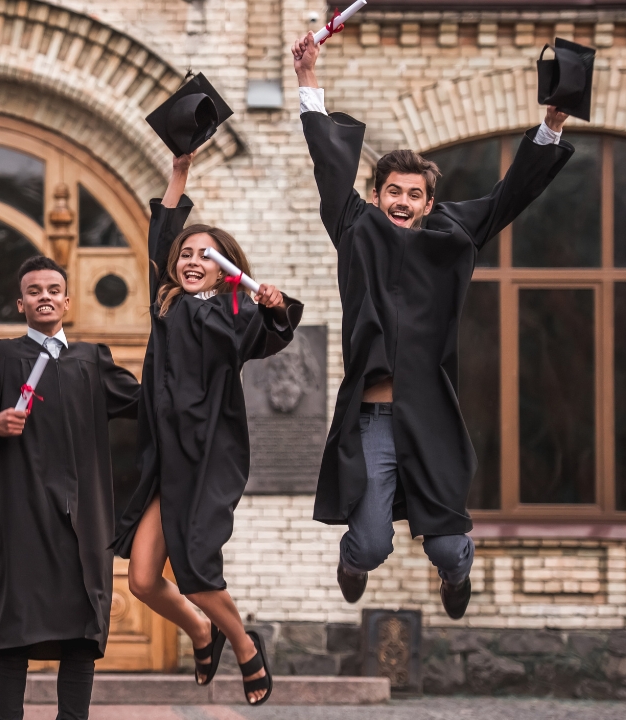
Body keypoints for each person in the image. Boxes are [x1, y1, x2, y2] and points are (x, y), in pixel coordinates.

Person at [291, 33, 573, 619]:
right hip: (372, 417)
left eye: (413, 194)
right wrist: (308, 81)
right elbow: (327, 166)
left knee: (446, 541)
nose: (401, 200)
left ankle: (456, 572)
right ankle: (352, 559)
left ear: (427, 204)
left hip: (431, 414)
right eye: (391, 191)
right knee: (370, 543)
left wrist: (551, 125)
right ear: (375, 196)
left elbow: (507, 197)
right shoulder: (355, 230)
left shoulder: (451, 238)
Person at [110, 152, 302, 707]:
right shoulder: (165, 304)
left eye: (205, 255)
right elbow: (163, 232)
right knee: (143, 580)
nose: (192, 259)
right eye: (185, 254)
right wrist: (179, 173)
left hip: (208, 456)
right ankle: (202, 630)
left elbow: (275, 331)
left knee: (195, 570)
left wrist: (273, 306)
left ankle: (244, 645)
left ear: (224, 268)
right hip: (166, 461)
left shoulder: (235, 313)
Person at [0, 255, 140, 720]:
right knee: (14, 630)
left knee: (82, 632)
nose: (43, 296)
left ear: (67, 300)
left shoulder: (91, 358)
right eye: (33, 291)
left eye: (52, 289)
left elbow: (147, 404)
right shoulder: (1, 358)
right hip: (22, 513)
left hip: (84, 516)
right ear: (20, 303)